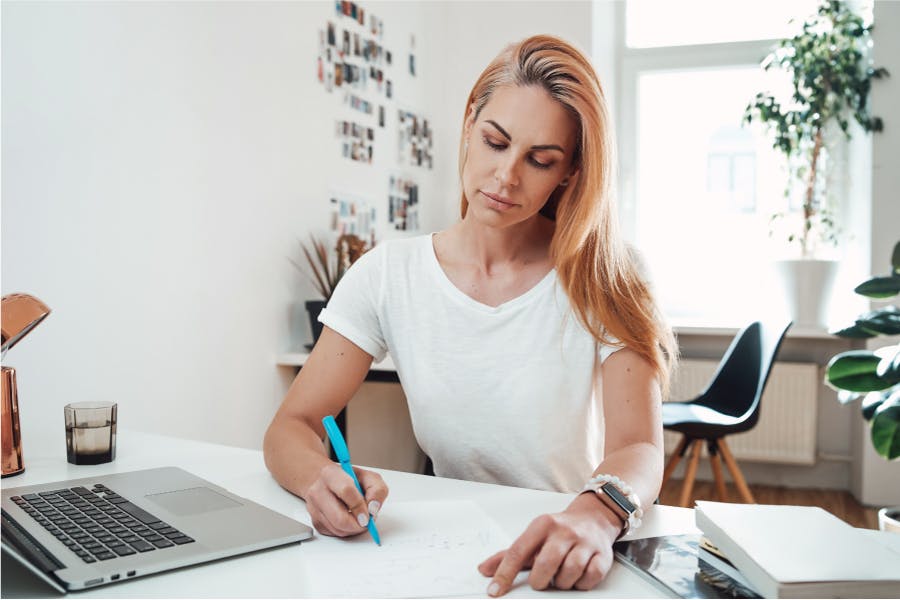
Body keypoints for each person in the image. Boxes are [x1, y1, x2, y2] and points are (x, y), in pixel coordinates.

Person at [264, 34, 676, 596]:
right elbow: (294, 425)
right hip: (451, 555)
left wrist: (596, 513)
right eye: (495, 141)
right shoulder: (388, 274)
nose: (507, 176)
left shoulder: (608, 273)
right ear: (468, 127)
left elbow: (640, 448)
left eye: (540, 159)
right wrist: (319, 478)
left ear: (570, 174)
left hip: (570, 552)